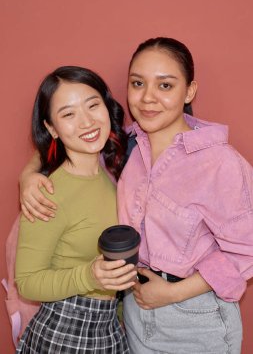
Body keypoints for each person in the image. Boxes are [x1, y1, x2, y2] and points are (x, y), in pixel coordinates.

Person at [18, 38, 253, 353]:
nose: (148, 98)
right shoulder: (126, 148)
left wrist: (174, 293)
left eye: (165, 85)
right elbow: (71, 140)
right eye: (138, 83)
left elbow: (247, 250)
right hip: (132, 315)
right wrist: (30, 175)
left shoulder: (220, 162)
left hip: (195, 318)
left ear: (189, 91)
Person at [15, 66, 137, 353]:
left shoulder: (111, 173)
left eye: (93, 105)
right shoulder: (47, 193)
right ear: (52, 128)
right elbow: (28, 282)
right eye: (68, 114)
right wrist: (90, 276)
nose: (86, 122)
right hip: (65, 332)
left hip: (109, 327)